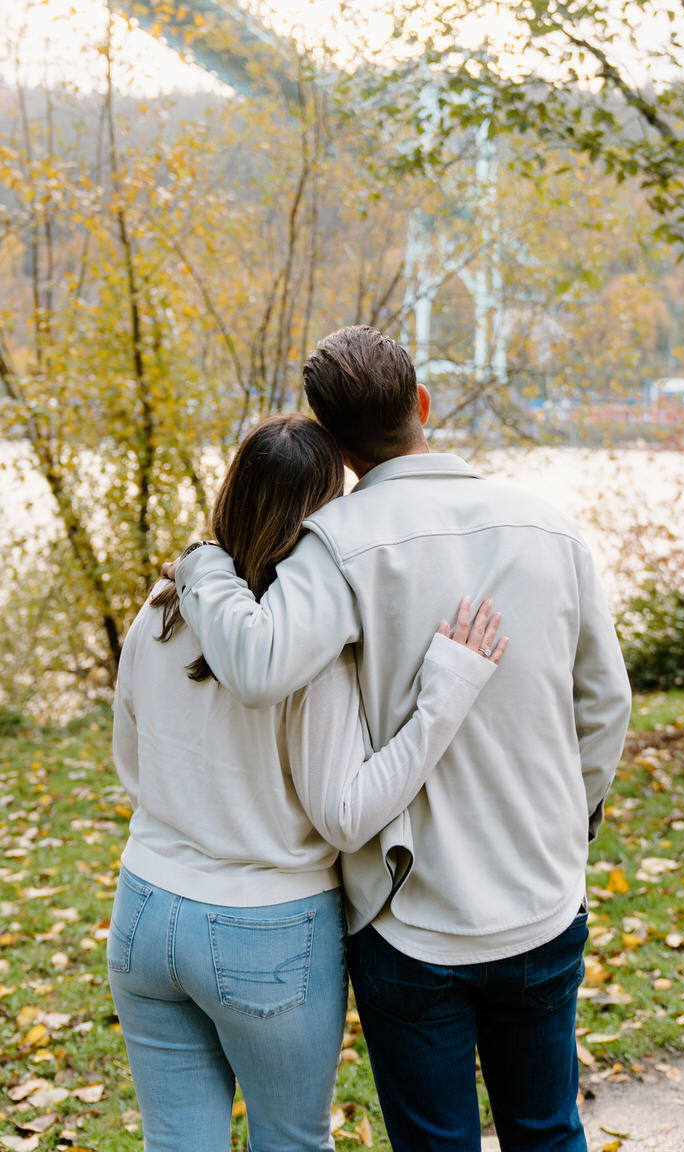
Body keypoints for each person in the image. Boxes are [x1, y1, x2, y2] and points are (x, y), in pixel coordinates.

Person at [167, 326, 633, 1152]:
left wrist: (204, 564)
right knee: (550, 1130)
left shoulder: (336, 546)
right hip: (542, 896)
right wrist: (575, 818)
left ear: (337, 445)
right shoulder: (551, 529)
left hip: (409, 916)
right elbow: (605, 705)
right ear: (423, 404)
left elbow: (255, 661)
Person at [109, 411, 507, 1152]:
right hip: (265, 927)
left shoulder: (160, 611)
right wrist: (443, 700)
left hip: (144, 910)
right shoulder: (312, 653)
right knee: (292, 1141)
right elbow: (348, 816)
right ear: (324, 517)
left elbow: (130, 765)